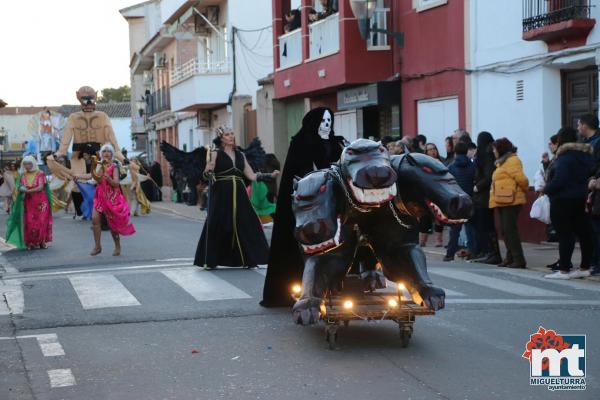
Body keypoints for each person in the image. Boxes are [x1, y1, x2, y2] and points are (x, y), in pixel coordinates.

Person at [262, 107, 346, 307]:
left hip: (335, 201)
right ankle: (300, 288)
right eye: (323, 120)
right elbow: (298, 172)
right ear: (314, 122)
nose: (327, 124)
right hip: (308, 201)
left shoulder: (336, 142)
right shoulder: (301, 143)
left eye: (329, 120)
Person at [194, 127, 278, 269]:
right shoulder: (215, 154)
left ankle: (248, 258)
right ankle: (211, 260)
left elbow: (251, 175)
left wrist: (270, 176)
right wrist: (208, 170)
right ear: (221, 138)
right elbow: (206, 175)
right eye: (227, 134)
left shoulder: (240, 155)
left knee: (246, 224)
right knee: (218, 225)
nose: (231, 136)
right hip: (221, 194)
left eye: (232, 133)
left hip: (240, 195)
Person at [542, 128, 594, 279]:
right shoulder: (583, 156)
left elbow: (560, 180)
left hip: (562, 200)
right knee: (584, 234)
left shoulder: (564, 158)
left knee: (565, 235)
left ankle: (564, 269)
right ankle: (585, 267)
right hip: (579, 198)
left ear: (561, 140)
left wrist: (547, 189)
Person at [74, 144, 135, 256]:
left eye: (108, 151)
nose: (106, 153)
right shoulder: (99, 165)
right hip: (100, 196)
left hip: (112, 198)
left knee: (112, 224)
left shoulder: (115, 166)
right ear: (101, 154)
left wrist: (110, 179)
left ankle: (117, 246)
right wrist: (79, 175)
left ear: (112, 154)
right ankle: (97, 246)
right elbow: (92, 176)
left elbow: (116, 183)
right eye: (104, 151)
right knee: (95, 220)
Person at [489, 138, 529, 268]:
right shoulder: (502, 162)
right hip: (502, 199)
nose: (493, 151)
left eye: (495, 149)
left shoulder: (512, 160)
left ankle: (519, 259)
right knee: (505, 231)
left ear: (501, 149)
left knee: (510, 230)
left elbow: (522, 180)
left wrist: (522, 190)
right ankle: (510, 257)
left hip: (511, 200)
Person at [6, 156, 53, 250]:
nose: (27, 166)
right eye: (25, 164)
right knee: (29, 222)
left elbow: (40, 187)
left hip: (42, 202)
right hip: (29, 202)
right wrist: (21, 189)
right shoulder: (23, 175)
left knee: (42, 221)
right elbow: (19, 187)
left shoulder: (41, 174)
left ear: (34, 164)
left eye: (29, 163)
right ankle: (30, 242)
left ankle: (42, 242)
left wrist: (27, 191)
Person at [471, 132, 501, 264]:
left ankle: (493, 253)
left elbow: (489, 176)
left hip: (484, 196)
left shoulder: (487, 154)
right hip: (482, 196)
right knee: (484, 225)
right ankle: (489, 252)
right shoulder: (486, 153)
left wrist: (478, 186)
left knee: (487, 226)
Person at [444, 142, 476, 261]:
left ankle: (449, 254)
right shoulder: (472, 166)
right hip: (470, 199)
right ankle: (473, 251)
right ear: (467, 151)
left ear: (455, 152)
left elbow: (447, 182)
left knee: (455, 230)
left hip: (457, 200)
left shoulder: (451, 167)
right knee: (471, 228)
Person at [419, 143, 444, 247]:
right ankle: (422, 241)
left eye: (434, 149)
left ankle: (439, 241)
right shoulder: (422, 163)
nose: (433, 151)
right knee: (424, 217)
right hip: (426, 193)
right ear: (426, 152)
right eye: (430, 149)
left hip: (438, 193)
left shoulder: (441, 161)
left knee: (438, 217)